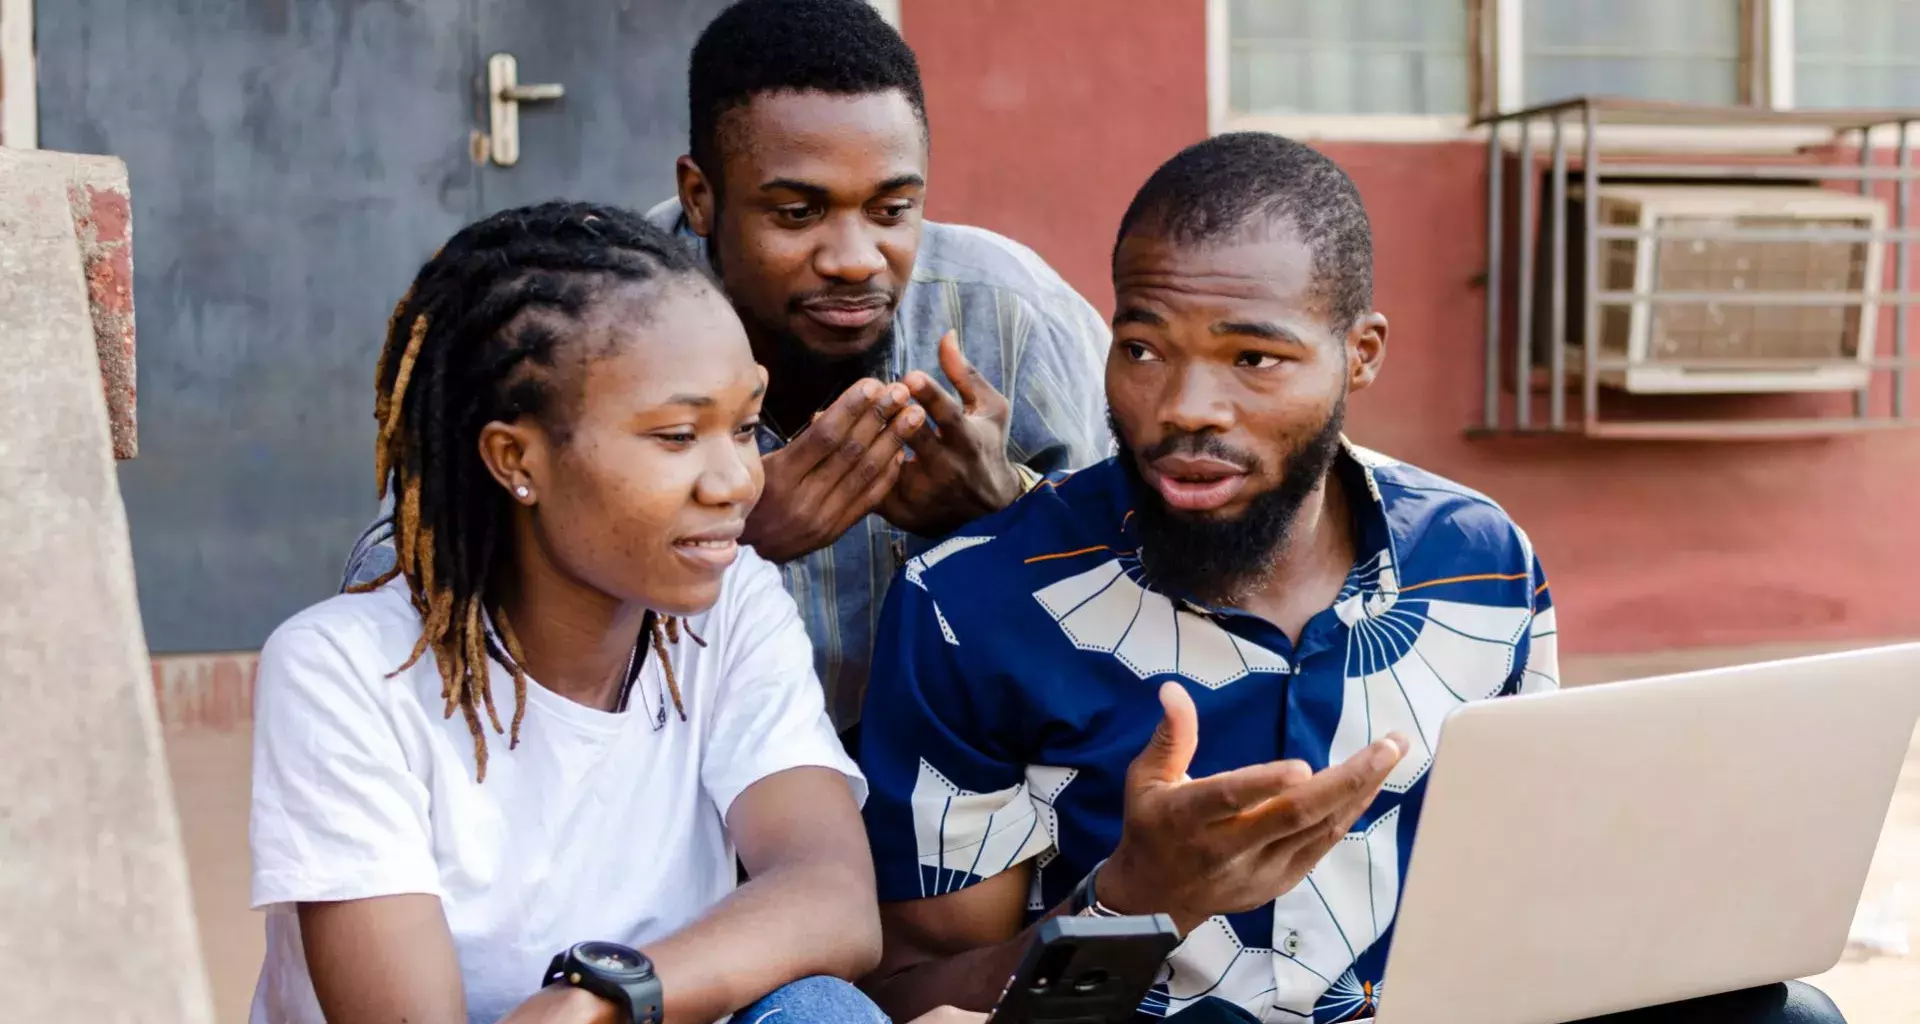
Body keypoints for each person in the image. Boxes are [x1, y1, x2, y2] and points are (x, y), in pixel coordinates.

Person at [852, 134, 1846, 1024]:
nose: (1185, 407)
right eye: (1144, 348)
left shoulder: (1480, 560)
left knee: (1785, 1014)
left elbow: (1525, 886)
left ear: (1358, 355)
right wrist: (1131, 901)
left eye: (1254, 357)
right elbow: (908, 993)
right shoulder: (971, 606)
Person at [250, 202, 969, 1024]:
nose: (736, 480)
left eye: (742, 428)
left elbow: (833, 896)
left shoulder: (727, 606)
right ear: (516, 458)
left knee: (820, 1012)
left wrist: (606, 997)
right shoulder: (342, 671)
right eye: (675, 435)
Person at [342, 0, 1110, 733]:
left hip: (961, 794)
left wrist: (1008, 506)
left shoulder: (1010, 313)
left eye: (891, 209)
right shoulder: (586, 323)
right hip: (668, 799)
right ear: (700, 197)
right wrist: (723, 533)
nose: (853, 260)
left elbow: (1160, 569)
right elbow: (394, 582)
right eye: (797, 213)